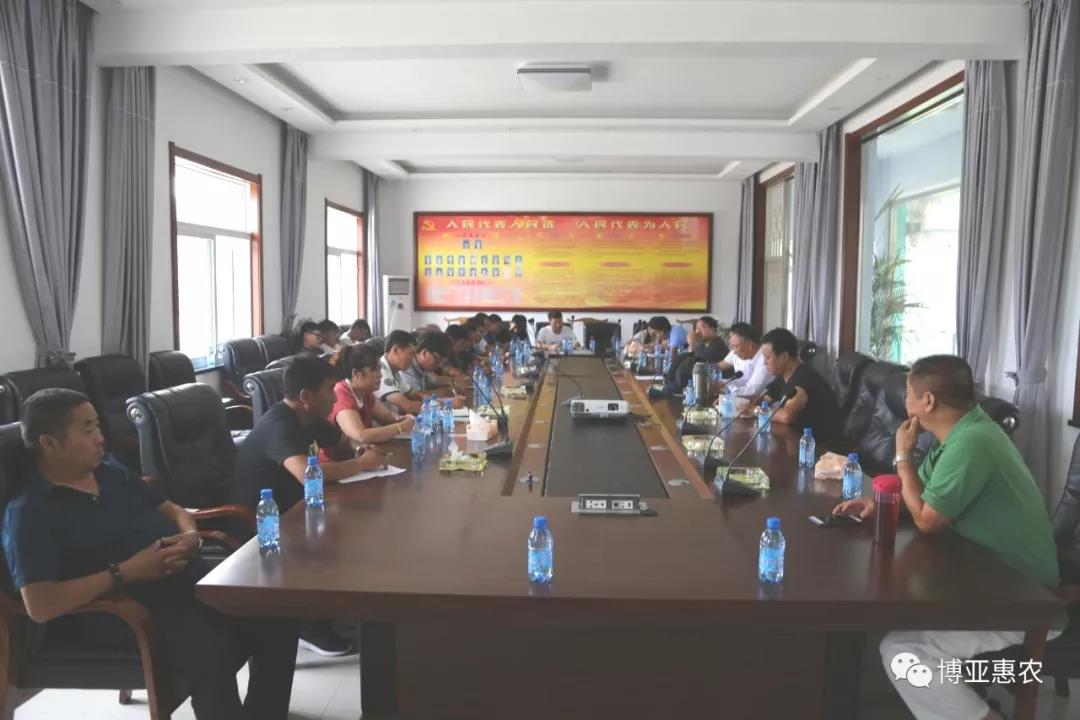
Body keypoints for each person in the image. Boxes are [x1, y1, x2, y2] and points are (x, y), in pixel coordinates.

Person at [3, 389, 298, 719]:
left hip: (182, 582)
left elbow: (173, 509)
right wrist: (127, 571)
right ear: (49, 443)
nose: (100, 437)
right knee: (209, 649)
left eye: (97, 426)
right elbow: (41, 605)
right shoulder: (29, 512)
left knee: (277, 612)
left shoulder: (108, 471)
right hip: (122, 611)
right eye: (87, 430)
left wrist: (190, 537)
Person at [833, 355, 1060, 720]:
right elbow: (922, 498)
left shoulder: (973, 443)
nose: (904, 401)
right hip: (978, 581)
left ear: (927, 401)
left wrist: (903, 457)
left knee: (905, 653)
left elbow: (926, 519)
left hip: (1022, 600)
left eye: (908, 393)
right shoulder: (960, 434)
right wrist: (881, 504)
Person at [232, 355, 384, 657]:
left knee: (364, 520)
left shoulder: (310, 417)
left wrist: (359, 449)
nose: (335, 396)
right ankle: (307, 624)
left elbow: (341, 444)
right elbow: (307, 474)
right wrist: (361, 464)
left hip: (299, 505)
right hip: (265, 520)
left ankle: (328, 609)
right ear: (305, 396)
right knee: (341, 530)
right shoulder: (280, 424)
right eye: (329, 390)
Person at [322, 344, 416, 462]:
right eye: (375, 370)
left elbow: (386, 417)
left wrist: (399, 419)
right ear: (356, 374)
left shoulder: (365, 392)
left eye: (380, 369)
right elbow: (361, 435)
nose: (380, 375)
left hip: (357, 458)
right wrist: (400, 427)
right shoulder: (341, 393)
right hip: (335, 464)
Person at [760, 327, 840, 441]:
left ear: (783, 357)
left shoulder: (804, 380)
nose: (764, 363)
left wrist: (755, 411)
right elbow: (764, 399)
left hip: (816, 445)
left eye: (767, 357)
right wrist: (744, 406)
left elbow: (786, 417)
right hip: (794, 438)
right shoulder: (784, 376)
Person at [400, 331, 464, 407]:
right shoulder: (407, 368)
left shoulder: (422, 368)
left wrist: (453, 382)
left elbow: (434, 381)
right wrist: (448, 399)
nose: (438, 365)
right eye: (437, 360)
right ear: (424, 353)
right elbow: (415, 398)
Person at [717, 322, 772, 398]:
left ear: (750, 345)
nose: (734, 352)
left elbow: (751, 391)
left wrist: (725, 389)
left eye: (736, 347)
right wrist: (722, 383)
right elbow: (743, 381)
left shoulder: (764, 360)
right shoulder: (750, 356)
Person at [376, 330, 421, 415]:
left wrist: (437, 401)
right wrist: (440, 406)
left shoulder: (395, 372)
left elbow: (415, 395)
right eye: (411, 354)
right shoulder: (379, 370)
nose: (413, 359)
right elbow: (408, 406)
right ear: (395, 350)